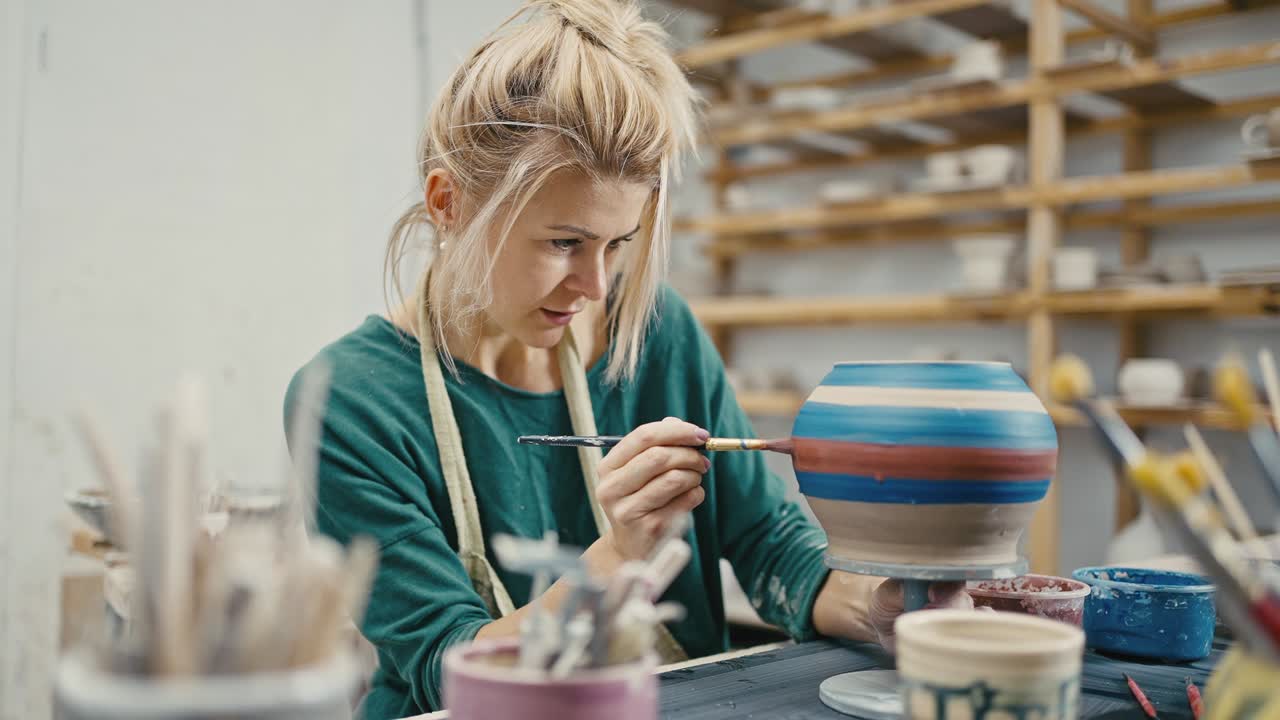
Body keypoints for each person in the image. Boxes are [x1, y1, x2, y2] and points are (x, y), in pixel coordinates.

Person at [285, 1, 973, 717]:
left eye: (618, 244)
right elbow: (447, 666)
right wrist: (618, 558)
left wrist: (884, 607)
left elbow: (770, 542)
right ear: (448, 202)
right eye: (564, 243)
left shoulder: (657, 332)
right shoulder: (348, 398)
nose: (596, 286)